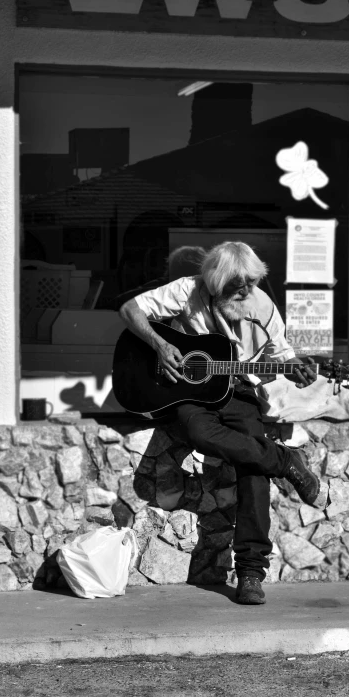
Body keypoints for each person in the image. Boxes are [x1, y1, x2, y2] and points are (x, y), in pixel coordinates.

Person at [119, 241, 321, 606]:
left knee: (252, 466)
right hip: (191, 394)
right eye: (237, 285)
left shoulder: (262, 305)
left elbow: (282, 353)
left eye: (251, 283)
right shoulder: (186, 290)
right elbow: (130, 309)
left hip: (239, 391)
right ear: (214, 281)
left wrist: (297, 369)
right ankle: (284, 460)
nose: (246, 291)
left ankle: (250, 572)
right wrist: (159, 346)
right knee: (200, 432)